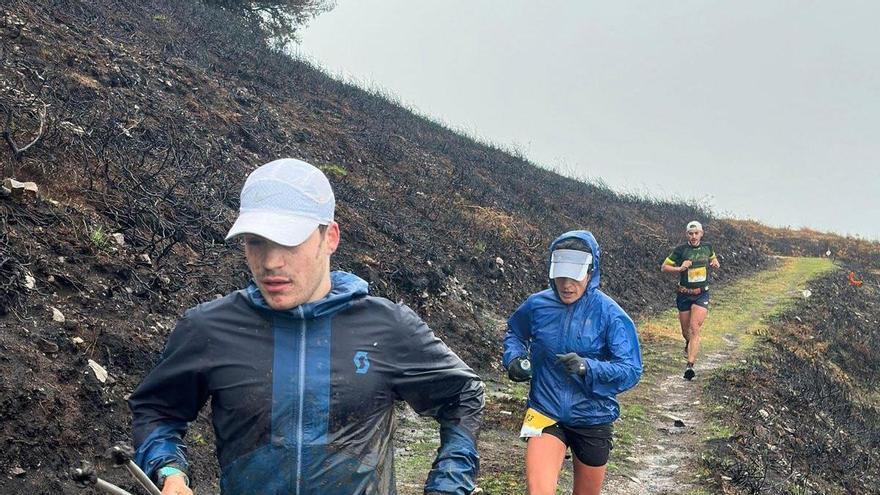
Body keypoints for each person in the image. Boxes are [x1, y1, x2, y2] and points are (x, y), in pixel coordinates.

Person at [129, 158, 484, 495]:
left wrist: (448, 484)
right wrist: (169, 472)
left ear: (329, 237)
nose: (270, 262)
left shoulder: (387, 327)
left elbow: (462, 395)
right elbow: (158, 409)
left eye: (289, 242)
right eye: (256, 242)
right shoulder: (209, 329)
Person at [502, 231, 642, 495]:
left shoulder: (610, 314)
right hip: (545, 410)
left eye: (574, 277)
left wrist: (587, 368)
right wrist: (514, 359)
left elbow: (630, 370)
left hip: (592, 416)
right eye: (560, 276)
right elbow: (515, 333)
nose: (566, 285)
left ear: (590, 272)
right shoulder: (537, 305)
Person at [660, 220, 720, 380]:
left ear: (701, 233)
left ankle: (690, 366)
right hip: (684, 294)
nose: (694, 236)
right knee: (686, 331)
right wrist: (679, 268)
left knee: (694, 328)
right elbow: (664, 267)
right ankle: (689, 343)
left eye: (696, 233)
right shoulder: (680, 250)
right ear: (687, 234)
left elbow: (714, 259)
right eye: (690, 234)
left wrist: (715, 262)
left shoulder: (708, 247)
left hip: (701, 294)